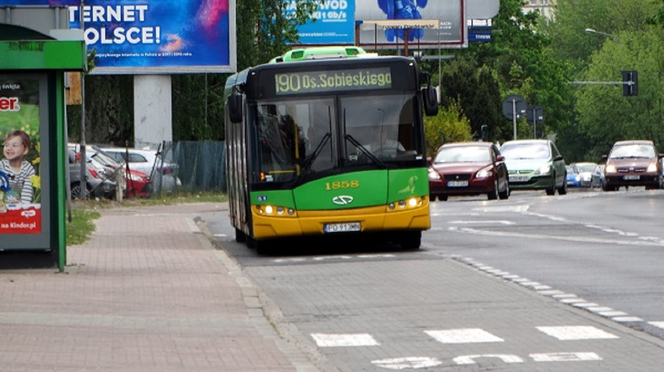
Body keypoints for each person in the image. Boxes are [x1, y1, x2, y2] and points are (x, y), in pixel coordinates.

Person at [1, 130, 36, 204]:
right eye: (6, 145)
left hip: (19, 204)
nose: (9, 148)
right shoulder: (1, 166)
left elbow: (27, 194)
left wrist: (23, 208)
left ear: (25, 150)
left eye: (14, 145)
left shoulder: (28, 170)